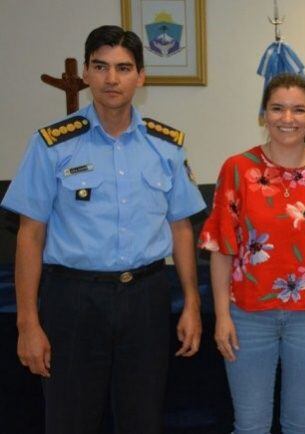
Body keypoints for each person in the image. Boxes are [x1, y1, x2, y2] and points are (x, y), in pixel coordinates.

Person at [2, 25, 205, 434]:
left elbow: (181, 228)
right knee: (70, 420)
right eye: (102, 67)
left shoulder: (165, 145)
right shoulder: (52, 144)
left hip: (145, 299)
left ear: (141, 76)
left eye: (124, 68)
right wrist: (27, 322)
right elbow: (30, 234)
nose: (112, 79)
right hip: (73, 299)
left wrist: (192, 305)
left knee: (143, 420)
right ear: (88, 74)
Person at [198, 73, 305, 434]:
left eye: (299, 109)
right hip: (247, 316)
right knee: (249, 426)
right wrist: (221, 316)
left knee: (301, 425)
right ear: (264, 114)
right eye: (277, 108)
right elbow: (221, 248)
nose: (287, 118)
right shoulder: (238, 169)